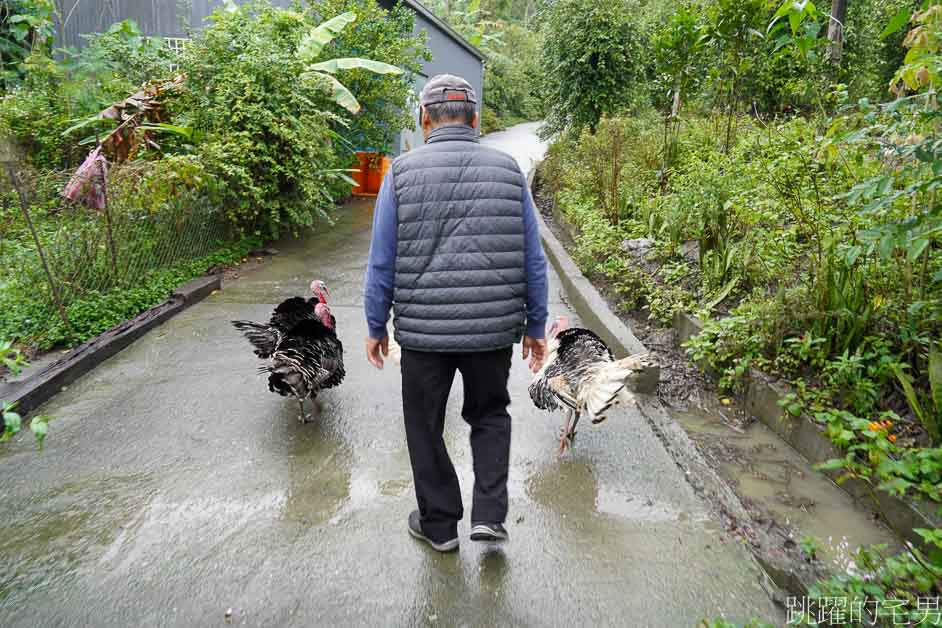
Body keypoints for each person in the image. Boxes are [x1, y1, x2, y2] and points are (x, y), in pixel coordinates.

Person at [363, 74, 549, 553]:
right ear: (476, 119)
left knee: (424, 423)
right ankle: (489, 515)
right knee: (490, 415)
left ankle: (441, 525)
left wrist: (374, 324)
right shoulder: (508, 171)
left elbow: (382, 258)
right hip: (492, 332)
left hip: (424, 334)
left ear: (423, 119)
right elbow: (533, 256)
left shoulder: (401, 173)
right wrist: (535, 324)